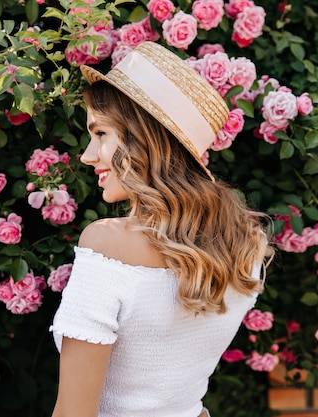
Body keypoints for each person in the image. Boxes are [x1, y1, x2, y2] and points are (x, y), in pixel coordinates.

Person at [50, 41, 272, 417]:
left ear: (144, 139)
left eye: (101, 133)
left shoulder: (105, 244)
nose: (88, 155)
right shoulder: (246, 244)